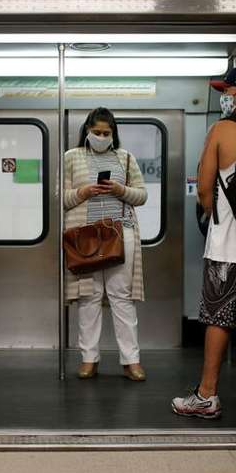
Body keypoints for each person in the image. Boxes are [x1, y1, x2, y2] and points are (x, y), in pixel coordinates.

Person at [171, 66, 236, 419]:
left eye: (226, 89)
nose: (223, 96)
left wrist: (212, 211)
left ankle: (207, 395)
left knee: (217, 318)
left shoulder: (222, 129)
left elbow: (205, 189)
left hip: (227, 246)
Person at [63, 107, 148, 381]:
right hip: (84, 235)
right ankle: (89, 358)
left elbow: (142, 195)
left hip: (120, 234)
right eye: (96, 132)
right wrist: (85, 191)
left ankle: (131, 361)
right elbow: (61, 198)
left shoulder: (125, 158)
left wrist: (120, 190)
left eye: (106, 133)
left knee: (121, 298)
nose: (101, 136)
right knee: (89, 297)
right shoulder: (71, 158)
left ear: (114, 134)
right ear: (87, 131)